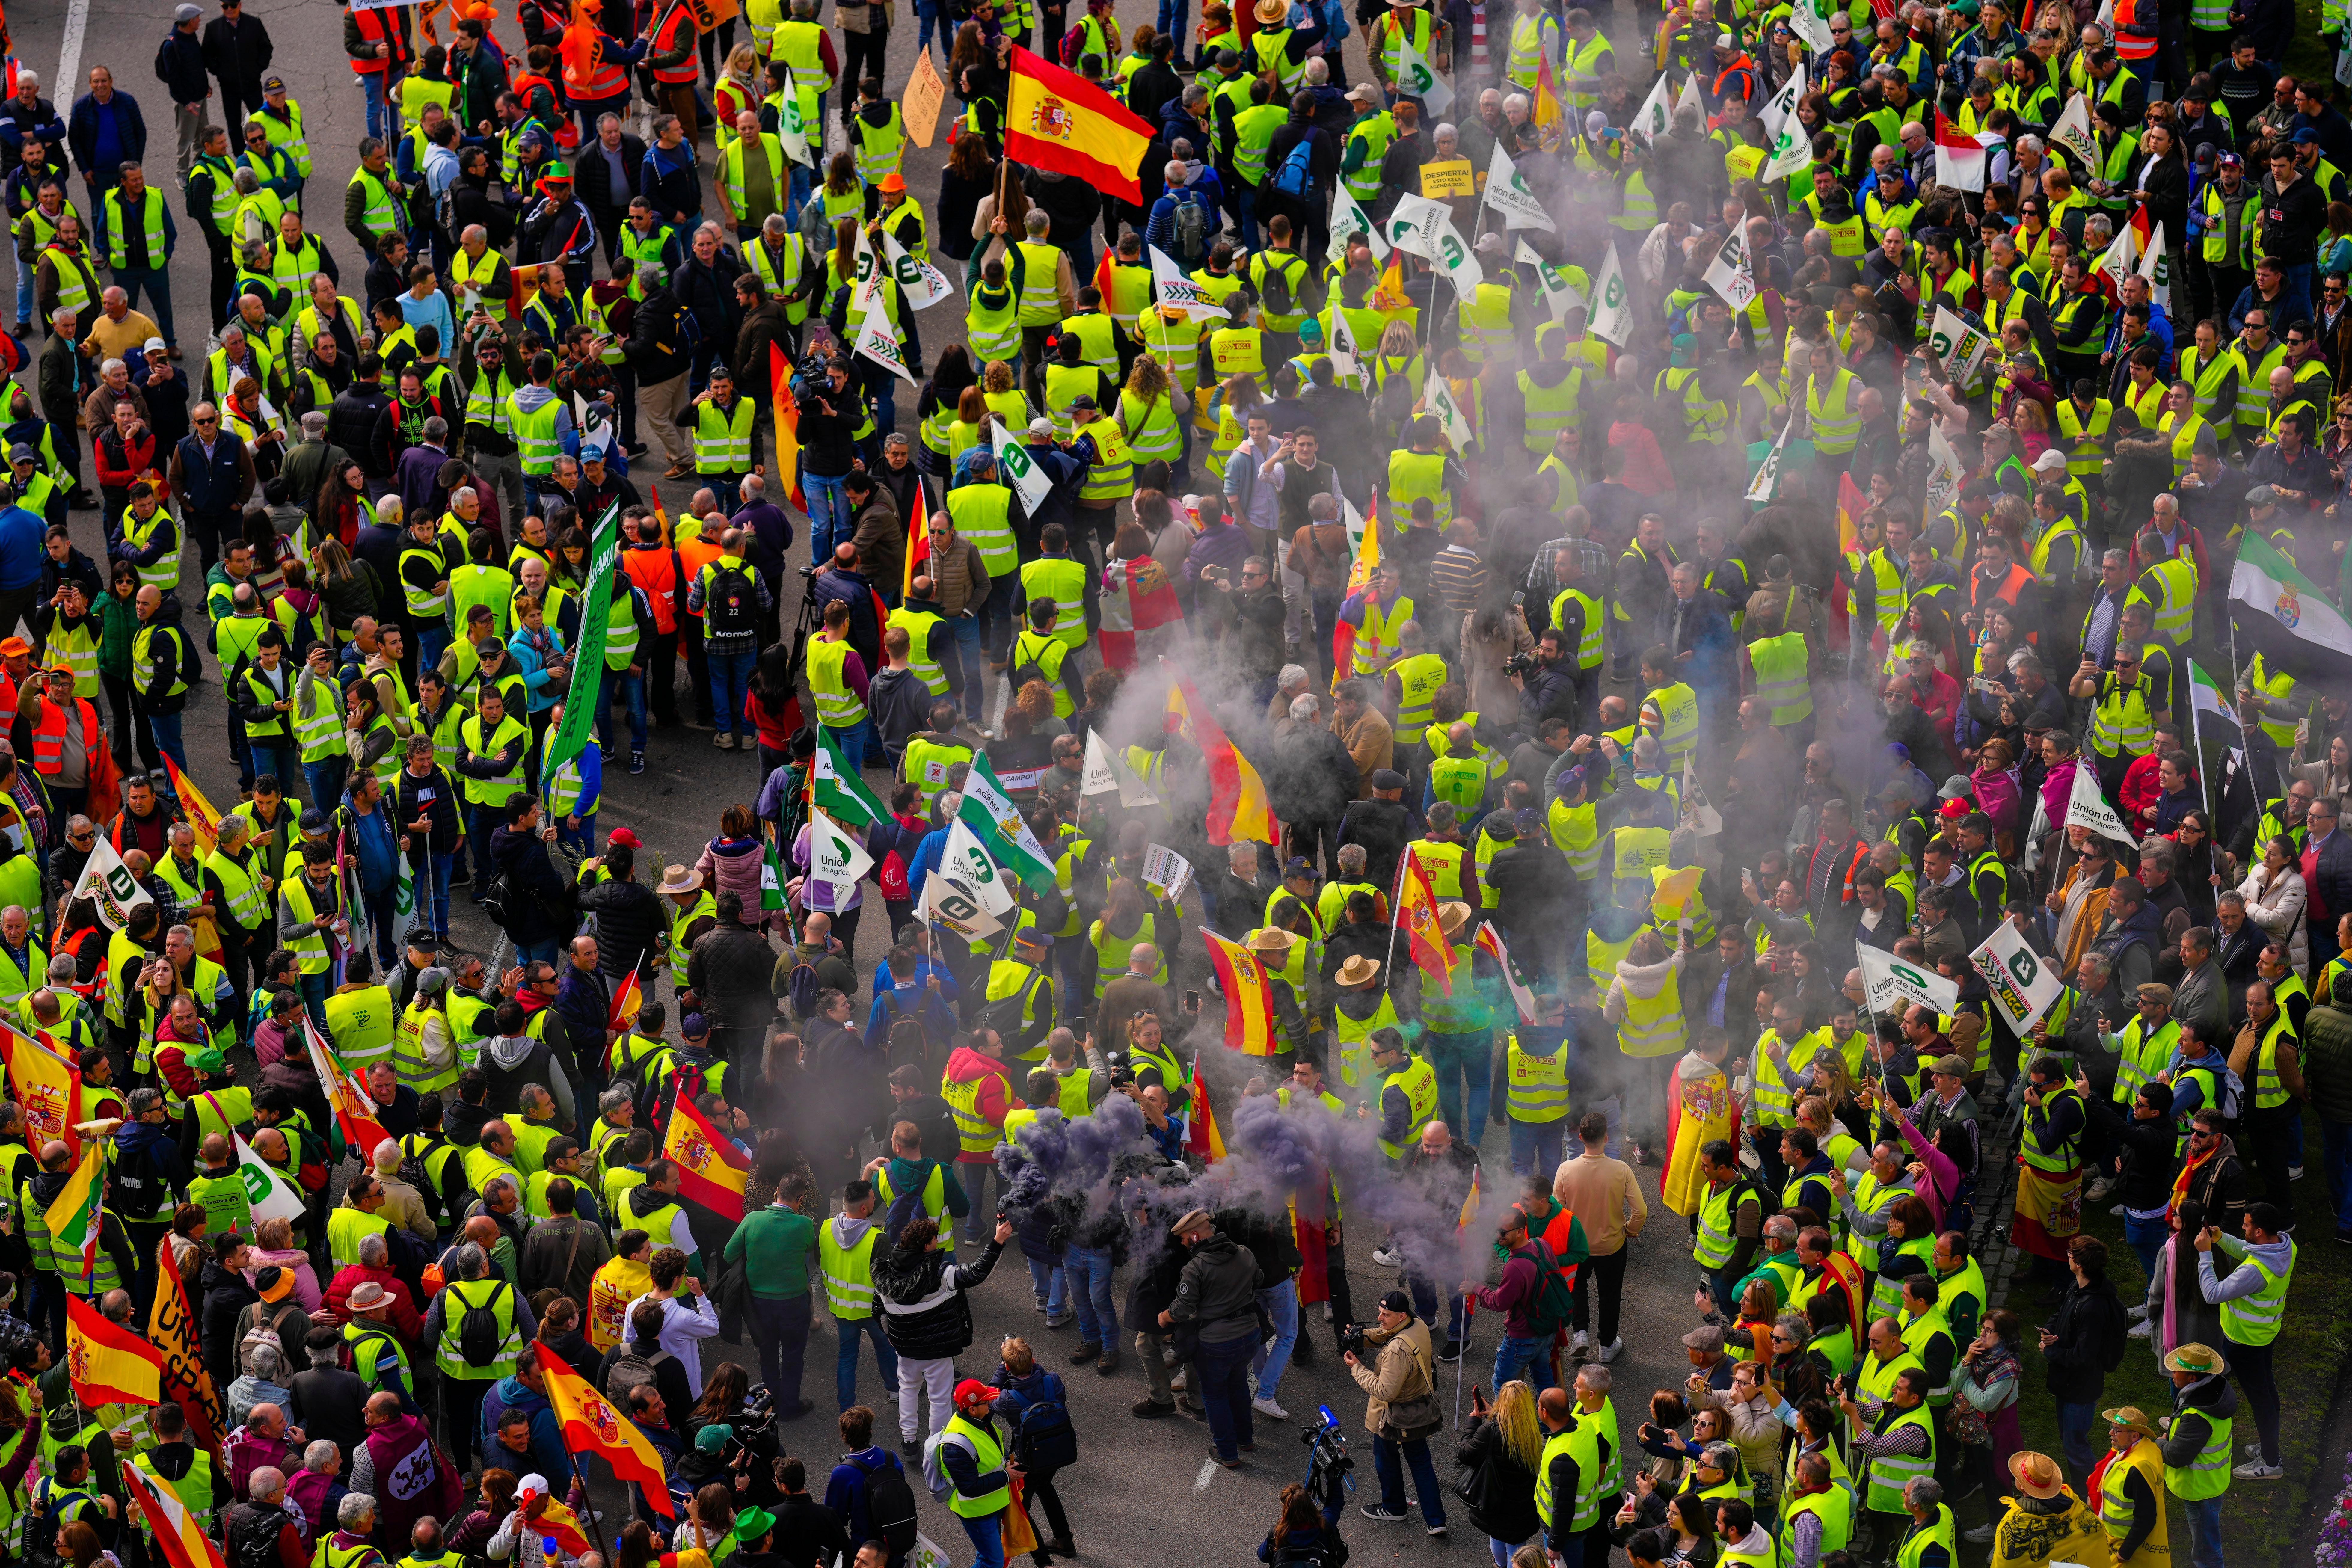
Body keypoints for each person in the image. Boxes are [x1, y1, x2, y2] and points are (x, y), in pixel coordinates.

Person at [1347, 1287, 1447, 1536]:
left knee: (1385, 1458)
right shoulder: (1418, 1324)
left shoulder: (1397, 1351)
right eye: (1380, 1312)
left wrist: (1357, 1367)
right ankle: (1436, 1521)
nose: (1379, 1318)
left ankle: (1393, 1507)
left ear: (1401, 1315)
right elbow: (1387, 1333)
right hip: (1419, 1409)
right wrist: (1363, 1336)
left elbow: (1385, 1391)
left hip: (1395, 1416)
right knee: (1421, 1463)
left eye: (1386, 1315)